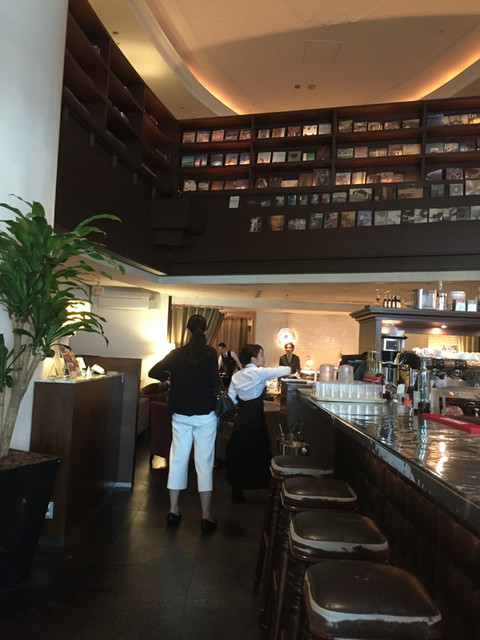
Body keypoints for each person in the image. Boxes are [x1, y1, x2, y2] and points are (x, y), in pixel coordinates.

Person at [148, 314, 220, 533]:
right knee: (204, 463)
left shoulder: (177, 354)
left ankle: (173, 511)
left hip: (180, 414)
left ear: (187, 331)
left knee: (177, 460)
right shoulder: (210, 353)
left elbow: (153, 372)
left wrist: (172, 378)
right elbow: (215, 382)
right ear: (205, 331)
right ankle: (206, 516)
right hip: (205, 414)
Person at [225, 344, 290, 503]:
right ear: (253, 359)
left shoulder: (236, 376)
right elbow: (286, 369)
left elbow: (231, 399)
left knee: (239, 454)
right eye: (261, 355)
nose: (264, 358)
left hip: (242, 421)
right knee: (260, 453)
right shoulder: (260, 373)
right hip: (256, 420)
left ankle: (237, 492)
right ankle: (268, 491)